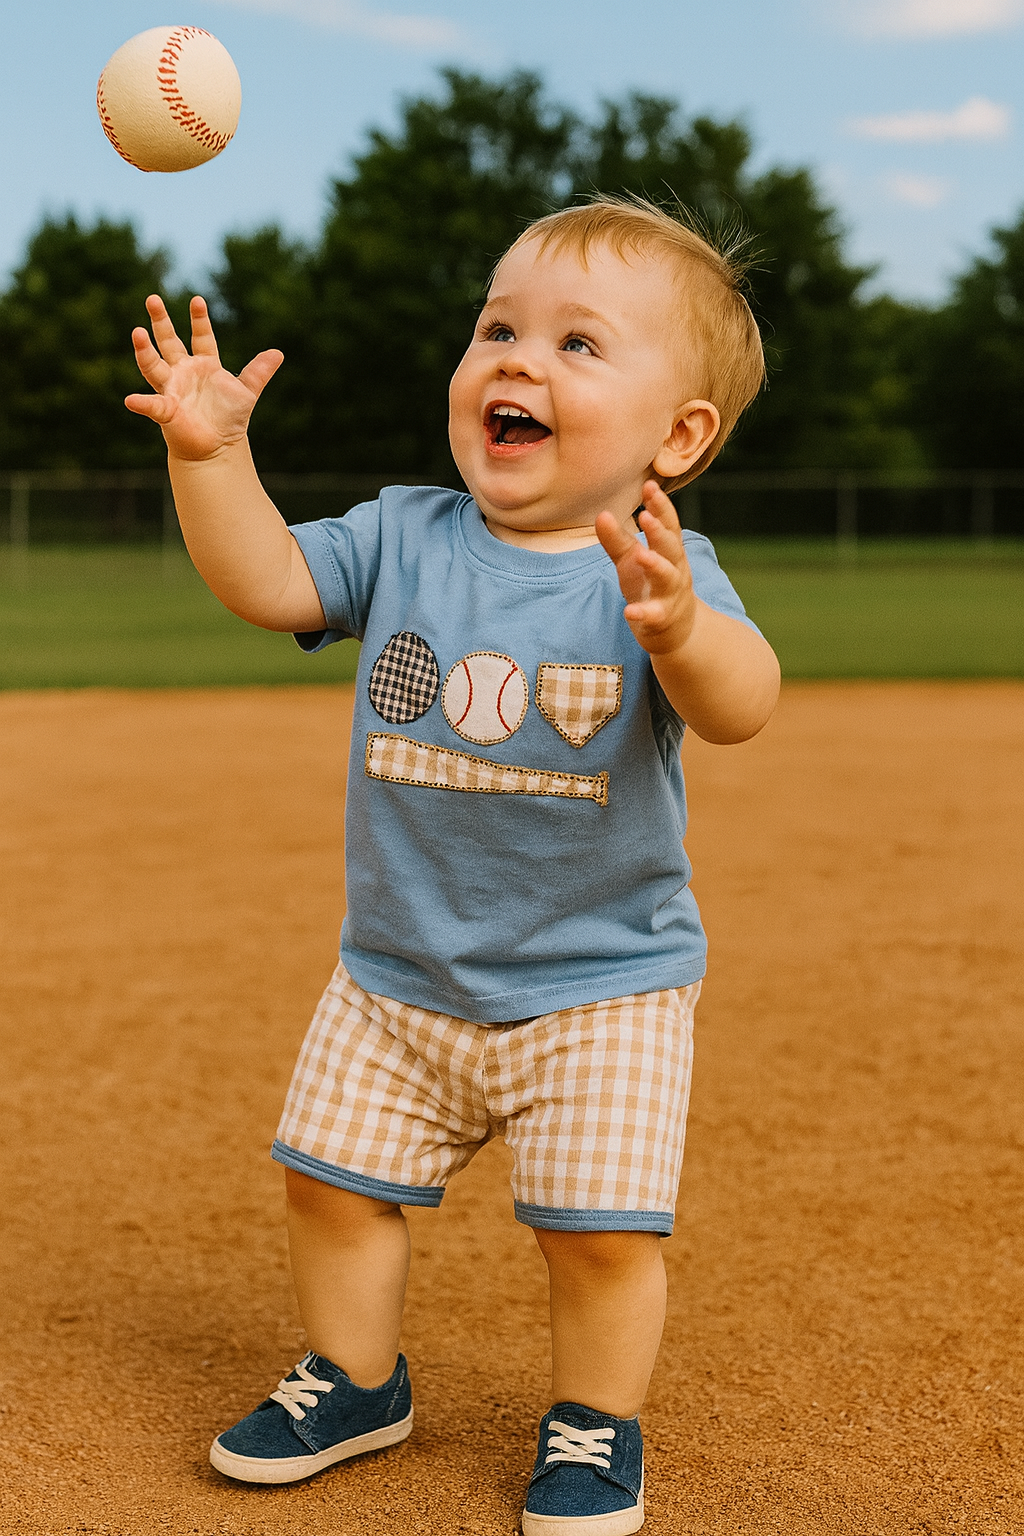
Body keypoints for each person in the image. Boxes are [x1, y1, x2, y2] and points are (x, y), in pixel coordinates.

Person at [126, 196, 780, 1536]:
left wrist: (678, 630)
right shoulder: (404, 536)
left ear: (679, 437)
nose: (518, 360)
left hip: (602, 988)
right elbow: (268, 581)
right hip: (398, 974)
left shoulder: (658, 570)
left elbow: (744, 700)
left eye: (579, 343)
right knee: (332, 1185)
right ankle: (358, 1380)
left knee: (598, 1233)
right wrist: (208, 460)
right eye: (498, 327)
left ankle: (596, 1425)